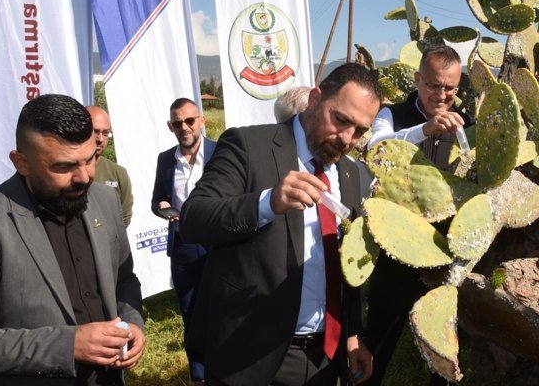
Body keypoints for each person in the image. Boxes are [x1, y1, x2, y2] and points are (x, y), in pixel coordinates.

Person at [181, 63, 379, 385]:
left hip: (324, 359)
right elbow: (194, 218)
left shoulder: (352, 174)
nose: (346, 138)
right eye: (340, 120)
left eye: (359, 131)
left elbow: (350, 264)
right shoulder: (248, 146)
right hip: (249, 356)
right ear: (315, 99)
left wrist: (353, 335)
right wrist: (266, 203)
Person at [0, 94, 145, 385]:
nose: (84, 177)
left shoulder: (105, 200)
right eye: (63, 166)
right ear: (21, 162)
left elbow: (124, 280)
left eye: (90, 159)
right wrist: (66, 346)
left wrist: (133, 323)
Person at [365, 45, 472, 385]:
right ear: (417, 79)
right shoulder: (390, 114)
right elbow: (375, 148)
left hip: (444, 250)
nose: (441, 95)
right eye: (433, 85)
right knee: (379, 335)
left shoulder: (466, 124)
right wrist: (423, 131)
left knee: (441, 339)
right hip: (397, 245)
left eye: (450, 87)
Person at [150, 97, 216, 386]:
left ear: (201, 120)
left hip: (219, 244)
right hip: (184, 246)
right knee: (190, 313)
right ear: (170, 126)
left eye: (190, 120)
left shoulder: (220, 152)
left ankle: (224, 372)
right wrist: (165, 209)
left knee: (221, 309)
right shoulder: (166, 159)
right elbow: (156, 201)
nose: (184, 127)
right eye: (178, 123)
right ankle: (199, 377)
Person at [87, 106, 134, 227]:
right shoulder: (65, 170)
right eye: (95, 131)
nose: (100, 139)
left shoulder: (119, 173)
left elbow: (125, 216)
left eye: (105, 133)